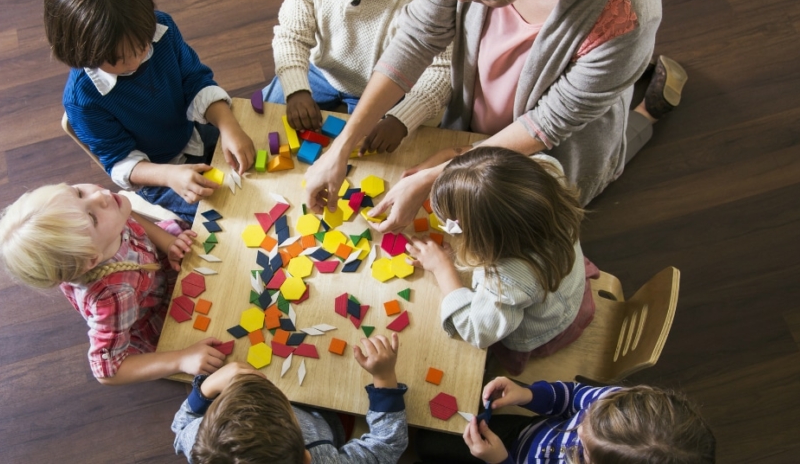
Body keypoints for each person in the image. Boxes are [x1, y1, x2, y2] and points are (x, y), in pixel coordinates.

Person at [303, 0, 688, 231]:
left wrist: (441, 173)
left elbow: (548, 124)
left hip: (556, 133)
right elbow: (419, 36)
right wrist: (342, 145)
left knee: (591, 168)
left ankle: (650, 112)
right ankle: (633, 77)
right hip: (489, 98)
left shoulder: (627, 11)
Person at [44, 0, 255, 224]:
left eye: (142, 45)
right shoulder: (83, 101)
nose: (136, 61)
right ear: (81, 53)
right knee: (226, 218)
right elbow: (120, 161)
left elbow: (195, 81)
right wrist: (169, 175)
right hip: (157, 175)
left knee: (255, 166)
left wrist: (228, 126)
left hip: (192, 130)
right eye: (118, 60)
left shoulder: (161, 28)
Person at [0, 183, 227, 385]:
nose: (100, 196)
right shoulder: (112, 297)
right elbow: (108, 372)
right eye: (92, 217)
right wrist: (181, 360)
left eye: (78, 193)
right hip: (152, 307)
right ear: (92, 259)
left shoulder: (111, 217)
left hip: (156, 263)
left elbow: (128, 215)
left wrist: (166, 242)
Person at [263, 0, 451, 152]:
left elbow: (442, 70)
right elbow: (291, 36)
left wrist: (401, 119)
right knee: (265, 118)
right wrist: (297, 89)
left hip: (383, 91)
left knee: (384, 153)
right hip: (321, 73)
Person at [406, 147, 594, 374]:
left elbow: (478, 330)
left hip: (549, 327)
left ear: (485, 240)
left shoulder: (507, 281)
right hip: (569, 284)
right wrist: (445, 161)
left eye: (453, 226)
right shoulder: (546, 172)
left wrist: (442, 267)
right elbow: (490, 172)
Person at [172, 334, 407, 464]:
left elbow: (181, 425)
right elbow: (386, 445)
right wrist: (384, 378)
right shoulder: (322, 460)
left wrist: (207, 388)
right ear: (305, 458)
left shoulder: (200, 445)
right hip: (328, 422)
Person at [416, 376, 716, 464]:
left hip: (507, 459)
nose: (577, 427)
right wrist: (528, 395)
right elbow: (572, 396)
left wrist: (501, 461)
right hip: (523, 434)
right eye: (586, 419)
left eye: (583, 451)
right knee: (428, 441)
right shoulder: (613, 402)